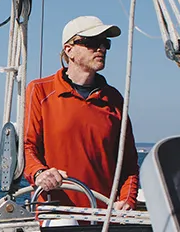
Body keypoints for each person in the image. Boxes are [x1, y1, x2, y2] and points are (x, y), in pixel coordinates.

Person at [21, 15, 140, 212]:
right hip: (55, 214)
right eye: (92, 42)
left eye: (105, 43)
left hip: (103, 216)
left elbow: (128, 163)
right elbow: (27, 147)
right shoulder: (40, 90)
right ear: (69, 50)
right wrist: (40, 173)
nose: (101, 48)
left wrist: (127, 199)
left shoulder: (114, 99)